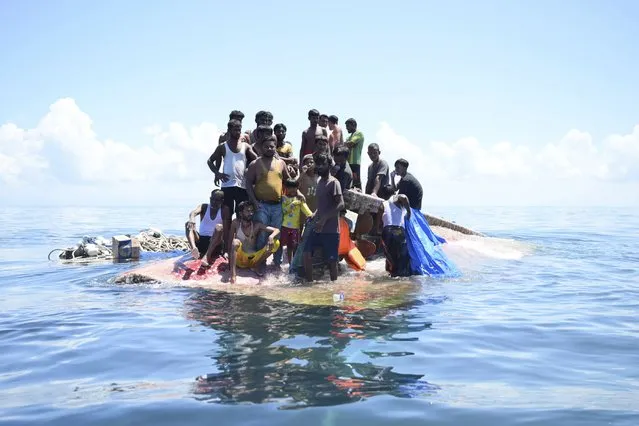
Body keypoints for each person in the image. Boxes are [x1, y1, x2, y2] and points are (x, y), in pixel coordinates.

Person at [245, 135, 295, 267]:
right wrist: (255, 203)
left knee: (277, 234)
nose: (269, 148)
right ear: (261, 148)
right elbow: (248, 184)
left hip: (278, 206)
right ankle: (259, 263)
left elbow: (289, 182)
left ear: (275, 148)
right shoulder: (255, 164)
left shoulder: (281, 163)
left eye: (272, 146)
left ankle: (276, 263)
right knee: (262, 235)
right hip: (261, 205)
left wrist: (297, 194)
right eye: (266, 146)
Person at [303, 153, 344, 282]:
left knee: (332, 261)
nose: (320, 167)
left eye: (323, 164)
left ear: (329, 165)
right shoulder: (320, 181)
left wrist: (325, 218)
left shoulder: (334, 183)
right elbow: (322, 205)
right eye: (318, 164)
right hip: (318, 227)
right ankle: (309, 284)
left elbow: (341, 204)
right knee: (306, 253)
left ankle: (335, 289)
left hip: (331, 230)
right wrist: (314, 214)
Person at [207, 119, 257, 223]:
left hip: (242, 185)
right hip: (227, 185)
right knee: (227, 213)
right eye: (235, 130)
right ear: (229, 130)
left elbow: (257, 160)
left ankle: (238, 237)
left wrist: (249, 169)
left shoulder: (246, 146)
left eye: (239, 130)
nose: (238, 132)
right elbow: (210, 161)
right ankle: (227, 237)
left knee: (241, 213)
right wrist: (217, 173)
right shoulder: (222, 146)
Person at [228, 201, 281, 283]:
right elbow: (229, 240)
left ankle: (256, 265)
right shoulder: (235, 223)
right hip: (240, 259)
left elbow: (276, 230)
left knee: (276, 242)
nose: (251, 213)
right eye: (248, 211)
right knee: (235, 242)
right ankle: (233, 275)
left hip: (253, 259)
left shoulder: (257, 225)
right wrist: (229, 260)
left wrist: (271, 237)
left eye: (252, 211)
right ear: (241, 213)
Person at [185, 189, 230, 263]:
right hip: (200, 241)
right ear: (210, 198)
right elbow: (193, 213)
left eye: (217, 200)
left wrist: (225, 251)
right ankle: (194, 249)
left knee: (219, 227)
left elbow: (226, 232)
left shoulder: (224, 210)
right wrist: (192, 219)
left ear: (222, 201)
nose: (214, 202)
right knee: (187, 224)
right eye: (212, 199)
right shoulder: (204, 207)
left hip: (215, 244)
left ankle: (207, 256)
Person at [378, 194, 412, 277]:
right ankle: (400, 280)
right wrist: (409, 211)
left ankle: (391, 277)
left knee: (390, 257)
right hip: (398, 230)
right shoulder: (396, 200)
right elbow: (404, 197)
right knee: (402, 258)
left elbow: (379, 225)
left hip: (387, 231)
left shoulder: (382, 205)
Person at [281, 179, 313, 264]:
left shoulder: (300, 199)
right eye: (290, 187)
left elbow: (307, 211)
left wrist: (312, 216)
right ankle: (289, 263)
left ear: (297, 188)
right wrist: (293, 204)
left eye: (294, 188)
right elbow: (284, 210)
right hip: (285, 226)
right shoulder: (284, 198)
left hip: (295, 227)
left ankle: (294, 263)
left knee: (295, 246)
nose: (292, 190)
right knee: (288, 247)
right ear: (286, 188)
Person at [344, 118, 364, 190]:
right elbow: (346, 145)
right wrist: (347, 144)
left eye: (348, 126)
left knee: (356, 181)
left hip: (355, 162)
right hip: (348, 162)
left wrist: (348, 144)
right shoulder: (349, 137)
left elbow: (349, 144)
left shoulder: (359, 134)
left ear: (353, 125)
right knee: (350, 181)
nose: (346, 128)